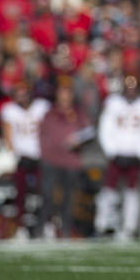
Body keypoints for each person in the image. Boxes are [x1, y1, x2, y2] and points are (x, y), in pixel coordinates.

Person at [95, 73, 140, 240]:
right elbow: (105, 128)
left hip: (135, 156)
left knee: (132, 192)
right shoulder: (113, 103)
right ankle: (104, 224)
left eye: (134, 87)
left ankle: (129, 227)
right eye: (128, 87)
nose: (131, 91)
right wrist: (112, 151)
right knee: (109, 190)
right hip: (117, 155)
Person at [39, 78, 93, 239]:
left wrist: (79, 139)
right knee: (47, 195)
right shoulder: (49, 112)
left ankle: (66, 230)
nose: (64, 97)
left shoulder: (78, 113)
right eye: (62, 93)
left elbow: (90, 131)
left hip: (71, 161)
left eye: (67, 93)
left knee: (69, 199)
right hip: (50, 160)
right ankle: (41, 229)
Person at [0, 80, 51, 240]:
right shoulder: (10, 110)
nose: (22, 97)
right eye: (19, 94)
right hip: (21, 158)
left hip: (41, 157)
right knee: (20, 195)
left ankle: (47, 225)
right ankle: (20, 228)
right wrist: (16, 155)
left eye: (25, 93)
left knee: (46, 193)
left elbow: (49, 132)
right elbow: (8, 135)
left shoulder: (42, 107)